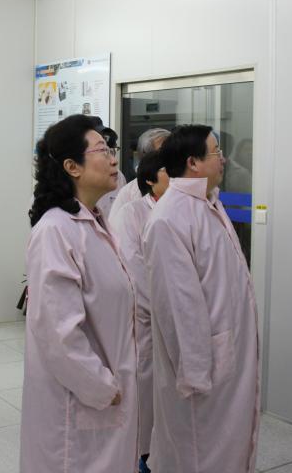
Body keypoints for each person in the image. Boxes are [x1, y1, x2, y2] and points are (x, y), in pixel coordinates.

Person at [21, 114, 139, 472]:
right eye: (102, 150)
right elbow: (58, 334)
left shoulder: (96, 221)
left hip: (108, 392)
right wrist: (103, 387)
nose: (114, 159)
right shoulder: (56, 231)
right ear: (72, 167)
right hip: (82, 401)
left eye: (112, 150)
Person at [143, 124, 260, 473]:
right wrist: (195, 374)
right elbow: (178, 307)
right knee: (200, 452)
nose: (223, 158)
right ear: (193, 162)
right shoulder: (169, 218)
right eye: (215, 152)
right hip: (202, 370)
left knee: (227, 446)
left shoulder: (209, 203)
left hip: (226, 356)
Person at [109, 150, 170, 473]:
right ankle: (142, 458)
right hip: (147, 323)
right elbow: (135, 275)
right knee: (145, 401)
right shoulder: (130, 214)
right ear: (149, 179)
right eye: (168, 171)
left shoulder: (185, 211)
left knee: (170, 406)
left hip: (175, 324)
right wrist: (170, 312)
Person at [108, 127, 170, 225]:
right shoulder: (130, 193)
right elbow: (115, 229)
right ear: (147, 156)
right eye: (164, 151)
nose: (172, 155)